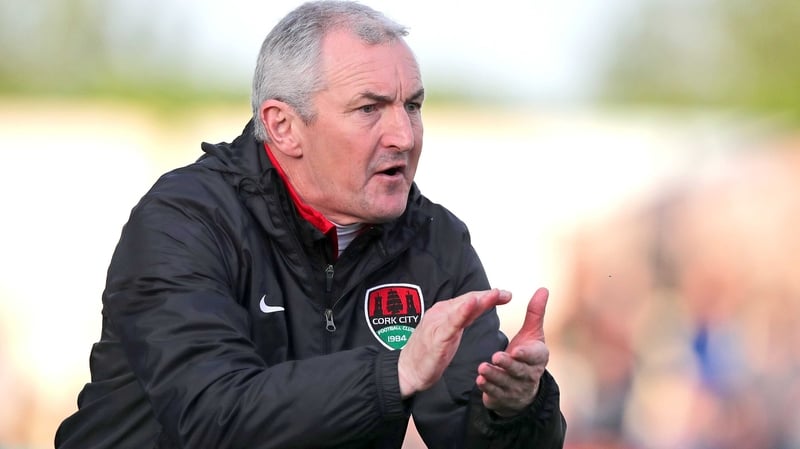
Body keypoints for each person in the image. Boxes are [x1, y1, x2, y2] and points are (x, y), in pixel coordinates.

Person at [54, 1, 566, 448]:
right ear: (283, 126)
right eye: (370, 108)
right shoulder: (185, 220)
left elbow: (470, 431)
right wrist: (397, 373)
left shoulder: (435, 241)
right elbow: (211, 417)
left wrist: (514, 407)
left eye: (412, 106)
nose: (404, 136)